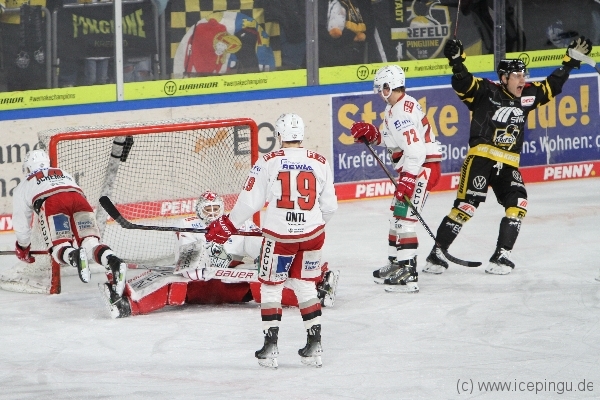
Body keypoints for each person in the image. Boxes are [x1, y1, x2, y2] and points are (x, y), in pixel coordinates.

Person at [423, 36, 593, 276]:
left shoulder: (527, 96)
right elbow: (464, 83)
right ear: (504, 78)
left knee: (518, 204)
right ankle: (437, 254)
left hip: (508, 164)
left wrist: (569, 63)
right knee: (466, 207)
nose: (523, 80)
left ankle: (501, 256)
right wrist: (456, 61)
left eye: (524, 75)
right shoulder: (485, 91)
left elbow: (550, 87)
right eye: (517, 76)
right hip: (481, 160)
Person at [205, 113, 338, 369]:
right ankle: (314, 346)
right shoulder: (320, 161)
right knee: (305, 286)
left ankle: (270, 347)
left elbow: (250, 202)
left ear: (279, 135)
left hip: (279, 238)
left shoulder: (268, 161)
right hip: (313, 236)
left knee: (271, 286)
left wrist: (228, 225)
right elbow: (330, 207)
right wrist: (310, 225)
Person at [100, 190, 340, 319]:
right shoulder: (188, 225)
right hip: (198, 286)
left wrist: (263, 258)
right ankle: (125, 303)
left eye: (216, 209)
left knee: (266, 282)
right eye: (208, 209)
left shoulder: (237, 224)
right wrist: (193, 264)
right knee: (172, 283)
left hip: (233, 285)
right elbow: (187, 253)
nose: (213, 214)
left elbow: (255, 243)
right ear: (199, 210)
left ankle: (318, 290)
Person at [350, 64, 442, 293]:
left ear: (388, 87)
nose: (379, 93)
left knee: (405, 220)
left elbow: (416, 151)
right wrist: (373, 135)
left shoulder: (401, 112)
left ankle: (409, 274)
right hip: (415, 169)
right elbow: (393, 140)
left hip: (422, 169)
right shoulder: (395, 107)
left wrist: (408, 181)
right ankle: (396, 264)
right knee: (396, 218)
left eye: (381, 88)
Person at [12, 149, 127, 295]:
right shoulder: (63, 172)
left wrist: (23, 247)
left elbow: (21, 222)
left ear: (28, 167)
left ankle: (75, 255)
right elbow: (72, 198)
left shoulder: (24, 184)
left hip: (54, 203)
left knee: (59, 248)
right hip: (79, 200)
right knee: (90, 243)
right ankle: (113, 261)